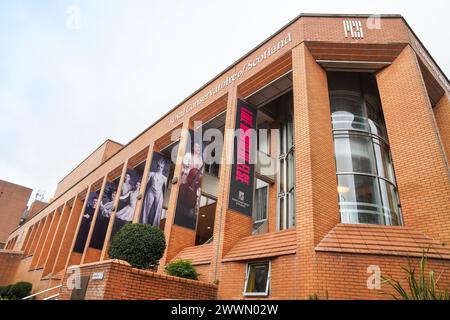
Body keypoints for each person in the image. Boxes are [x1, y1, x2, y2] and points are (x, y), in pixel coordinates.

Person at [141, 158, 168, 227]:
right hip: (151, 191)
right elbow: (145, 183)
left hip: (159, 193)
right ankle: (143, 223)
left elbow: (166, 189)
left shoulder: (164, 178)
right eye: (158, 166)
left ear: (163, 168)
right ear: (157, 166)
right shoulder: (152, 174)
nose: (159, 168)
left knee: (158, 209)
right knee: (147, 206)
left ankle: (155, 225)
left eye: (161, 167)